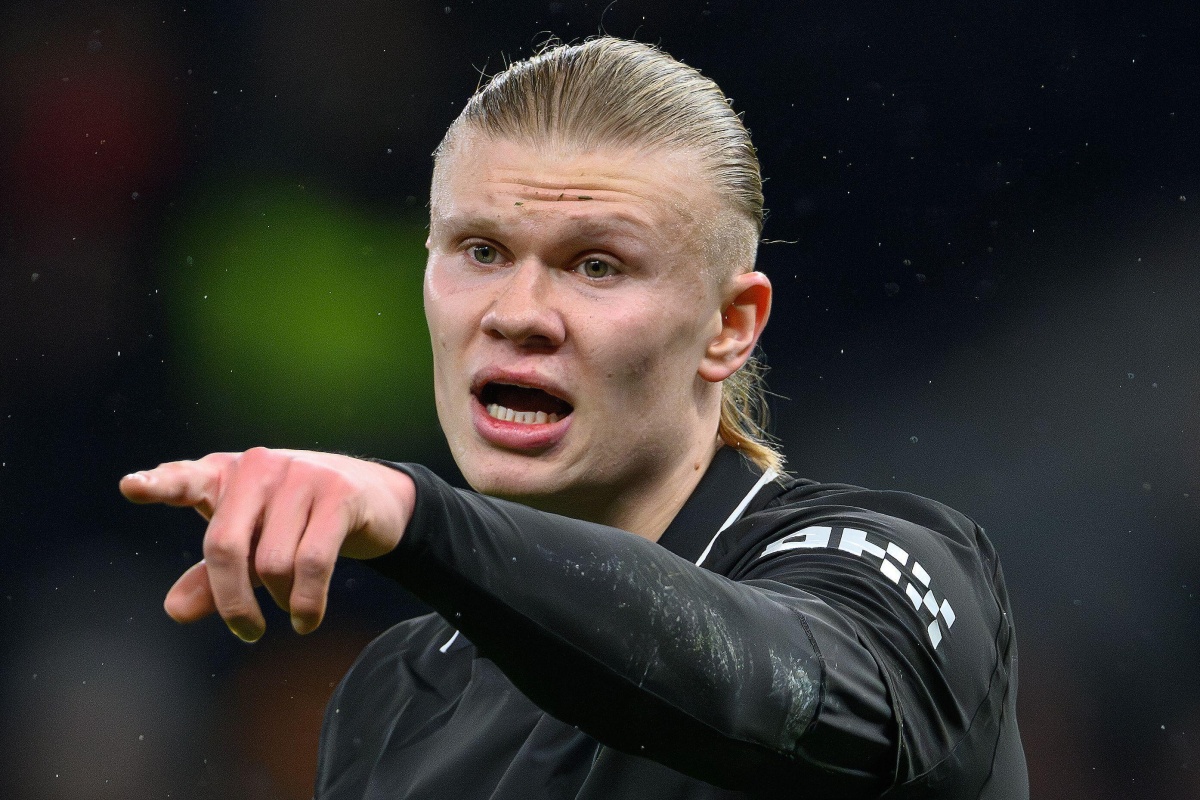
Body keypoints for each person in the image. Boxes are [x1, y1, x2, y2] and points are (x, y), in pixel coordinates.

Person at [121, 37, 1027, 799]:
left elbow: (782, 691)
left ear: (730, 325)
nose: (517, 313)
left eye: (596, 265)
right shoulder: (397, 696)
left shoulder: (893, 568)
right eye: (481, 251)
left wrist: (421, 517)